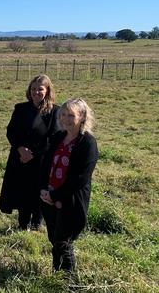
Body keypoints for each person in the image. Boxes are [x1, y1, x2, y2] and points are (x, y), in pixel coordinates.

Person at [40, 98, 98, 273]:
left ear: (82, 117)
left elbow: (81, 178)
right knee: (54, 238)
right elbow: (46, 165)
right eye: (63, 114)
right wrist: (43, 190)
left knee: (63, 241)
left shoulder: (87, 143)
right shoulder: (58, 137)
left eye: (71, 115)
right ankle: (56, 273)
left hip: (69, 200)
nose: (65, 119)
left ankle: (68, 281)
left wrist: (56, 195)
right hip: (48, 197)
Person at [0, 75, 60, 230]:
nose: (36, 92)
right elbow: (11, 131)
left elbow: (53, 137)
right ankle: (22, 222)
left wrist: (33, 153)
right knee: (22, 190)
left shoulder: (55, 112)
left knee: (38, 191)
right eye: (33, 89)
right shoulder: (21, 108)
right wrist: (20, 149)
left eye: (40, 89)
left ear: (47, 91)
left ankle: (36, 222)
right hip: (20, 158)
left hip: (41, 159)